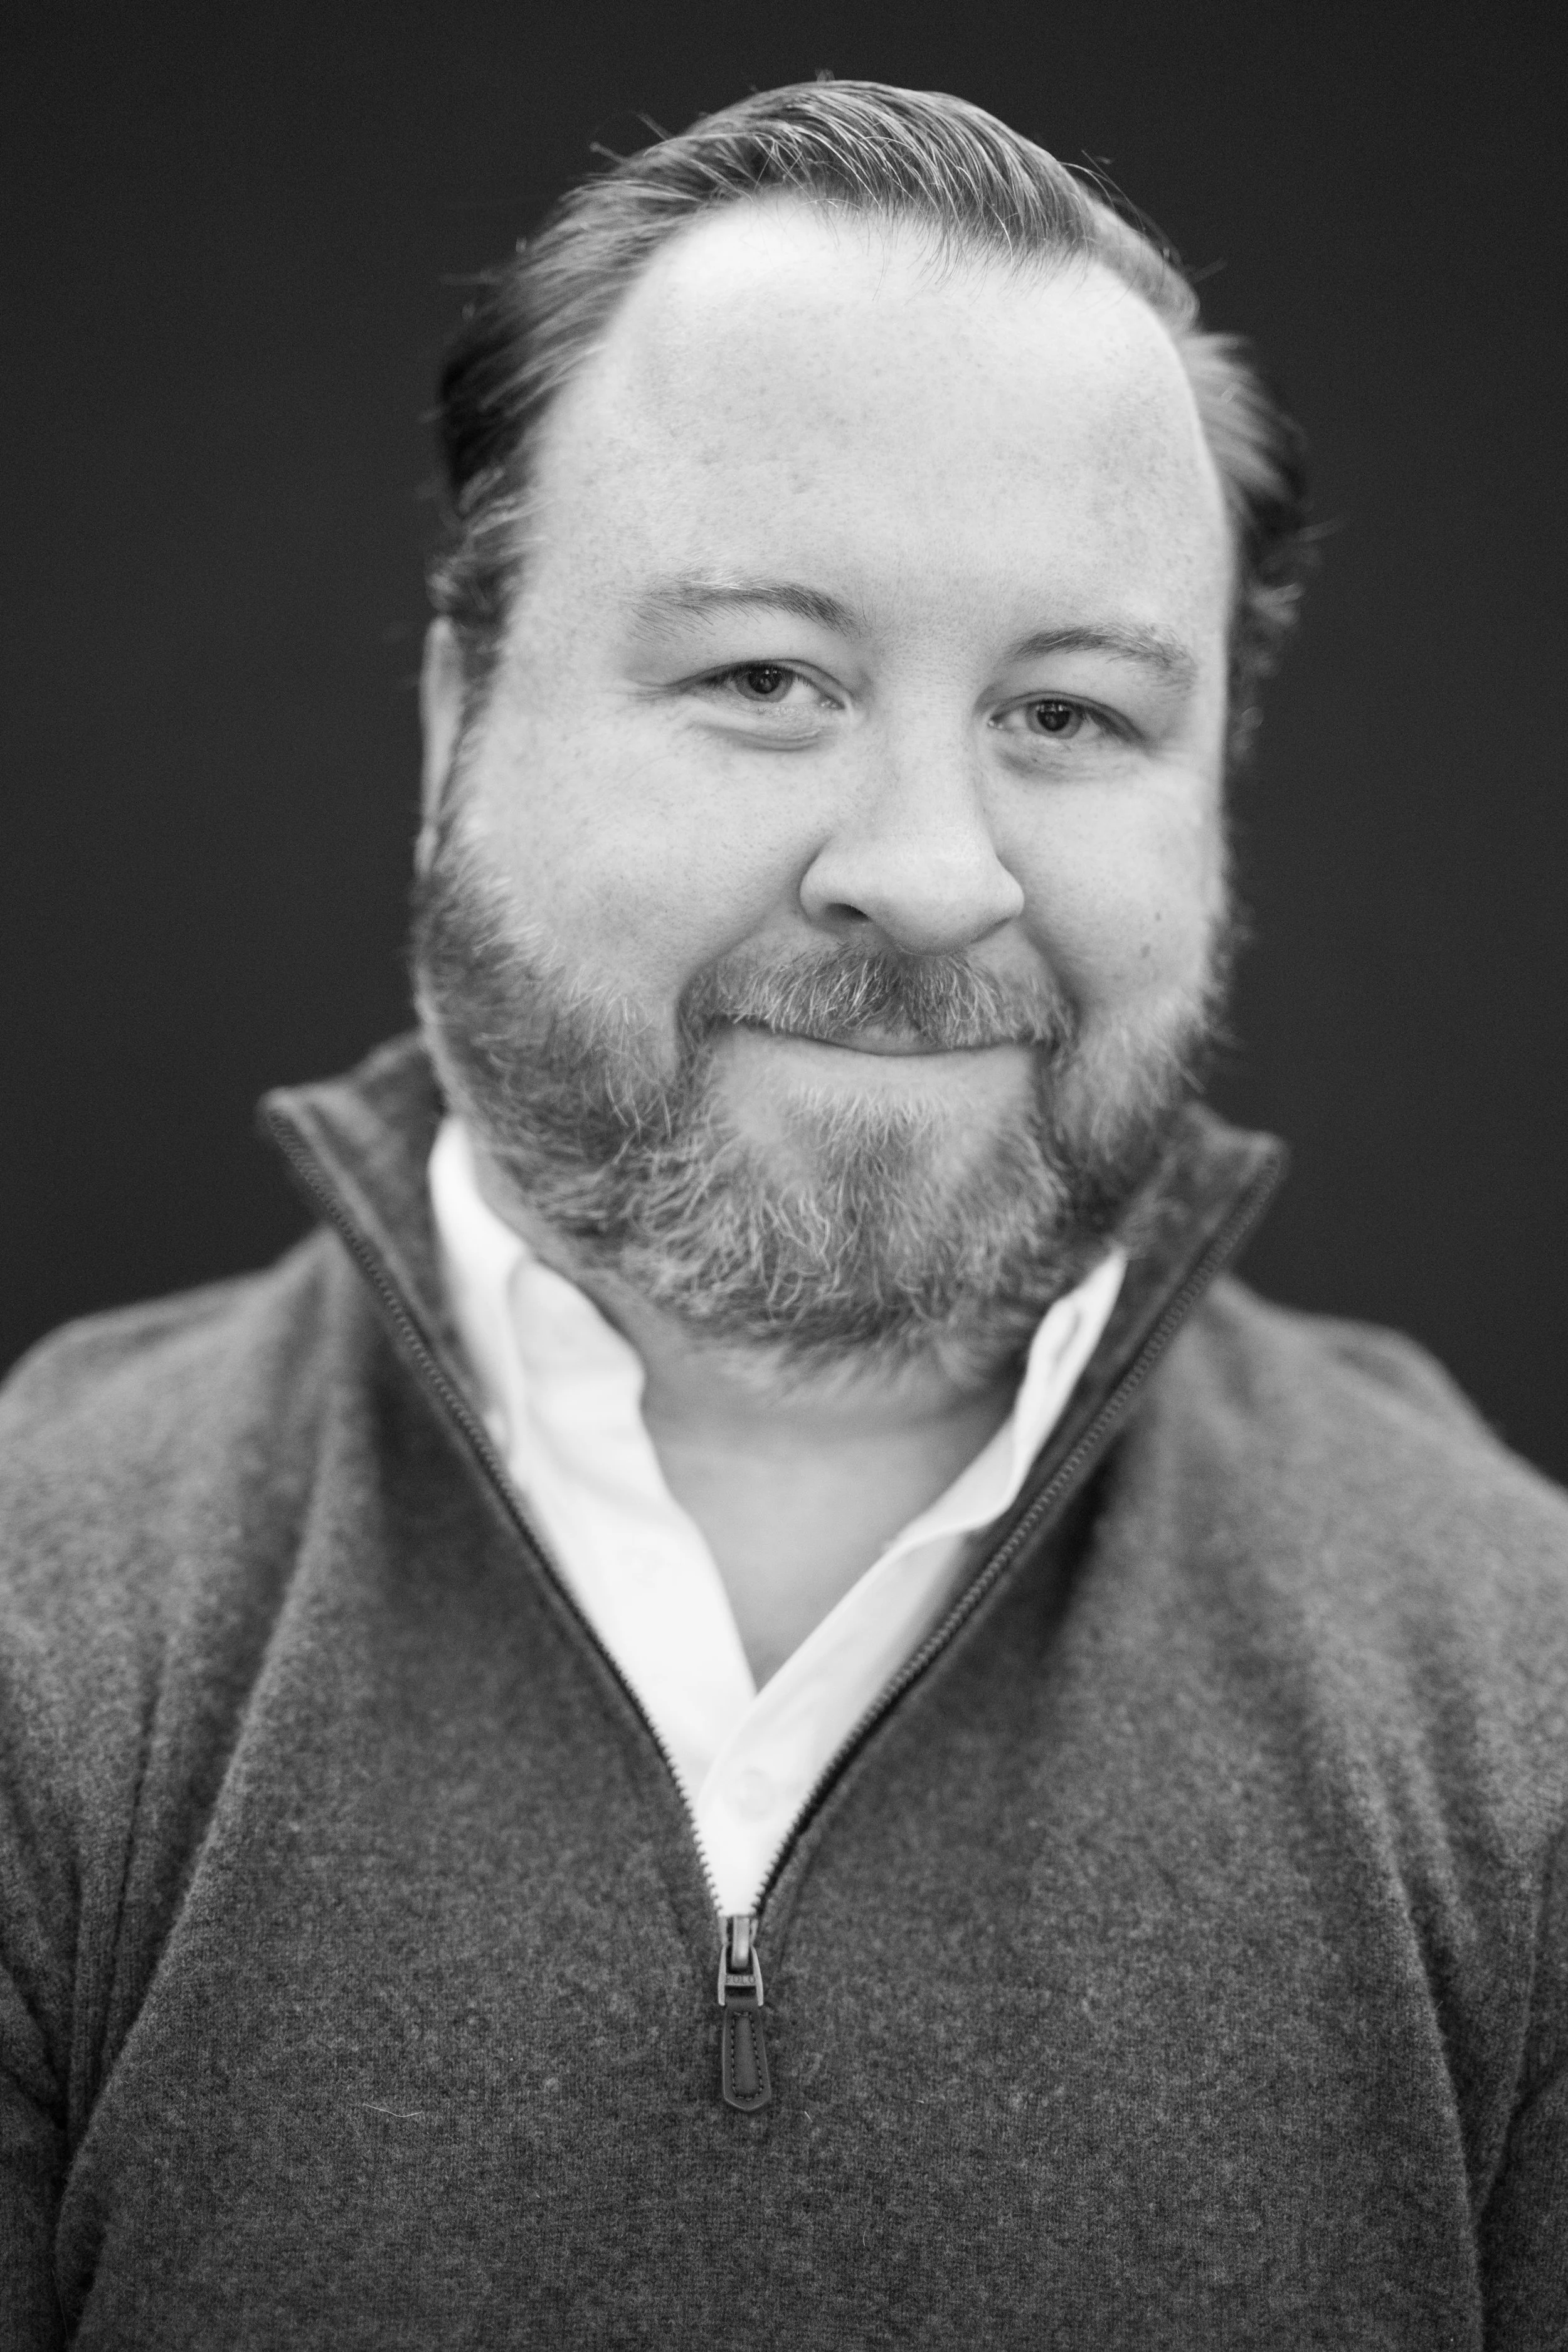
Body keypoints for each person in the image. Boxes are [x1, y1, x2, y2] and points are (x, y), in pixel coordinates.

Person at [2, 78, 1564, 2350]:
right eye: (762, 678)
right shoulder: (43, 1630)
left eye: (1068, 710)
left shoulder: (1524, 1693)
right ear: (460, 711)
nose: (930, 869)